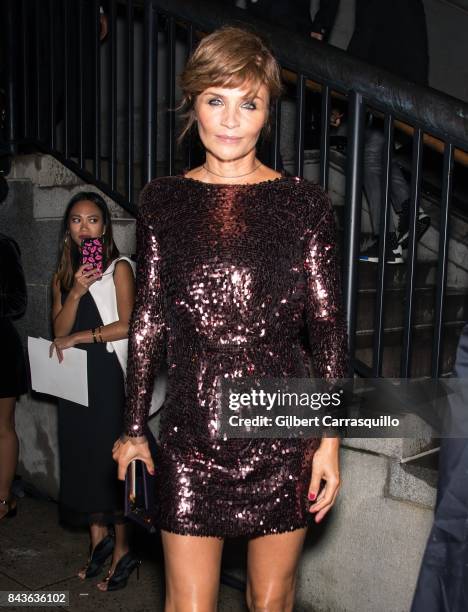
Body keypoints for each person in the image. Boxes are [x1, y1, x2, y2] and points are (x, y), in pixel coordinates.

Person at [113, 26, 348, 611]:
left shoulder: (304, 205)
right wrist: (135, 427)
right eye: (216, 99)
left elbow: (326, 327)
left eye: (250, 103)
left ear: (268, 112)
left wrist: (329, 441)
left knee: (271, 600)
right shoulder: (161, 201)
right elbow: (147, 322)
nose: (231, 119)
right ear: (193, 102)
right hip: (192, 430)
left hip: (282, 426)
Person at [50, 191, 138, 591]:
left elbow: (128, 325)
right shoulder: (63, 277)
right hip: (73, 380)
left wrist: (82, 336)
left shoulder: (119, 268)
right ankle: (97, 541)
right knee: (83, 458)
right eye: (75, 220)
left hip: (106, 376)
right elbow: (57, 333)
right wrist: (75, 293)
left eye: (93, 220)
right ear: (67, 230)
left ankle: (123, 550)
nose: (84, 227)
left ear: (105, 229)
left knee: (110, 464)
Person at [347, 0, 431, 263]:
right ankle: (408, 209)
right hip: (406, 87)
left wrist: (344, 83)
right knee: (378, 152)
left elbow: (364, 37)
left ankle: (387, 241)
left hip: (385, 85)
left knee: (370, 156)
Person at [0, 233, 27, 520]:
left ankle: (4, 499)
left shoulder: (5, 245)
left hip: (1, 348)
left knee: (3, 425)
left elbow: (19, 302)